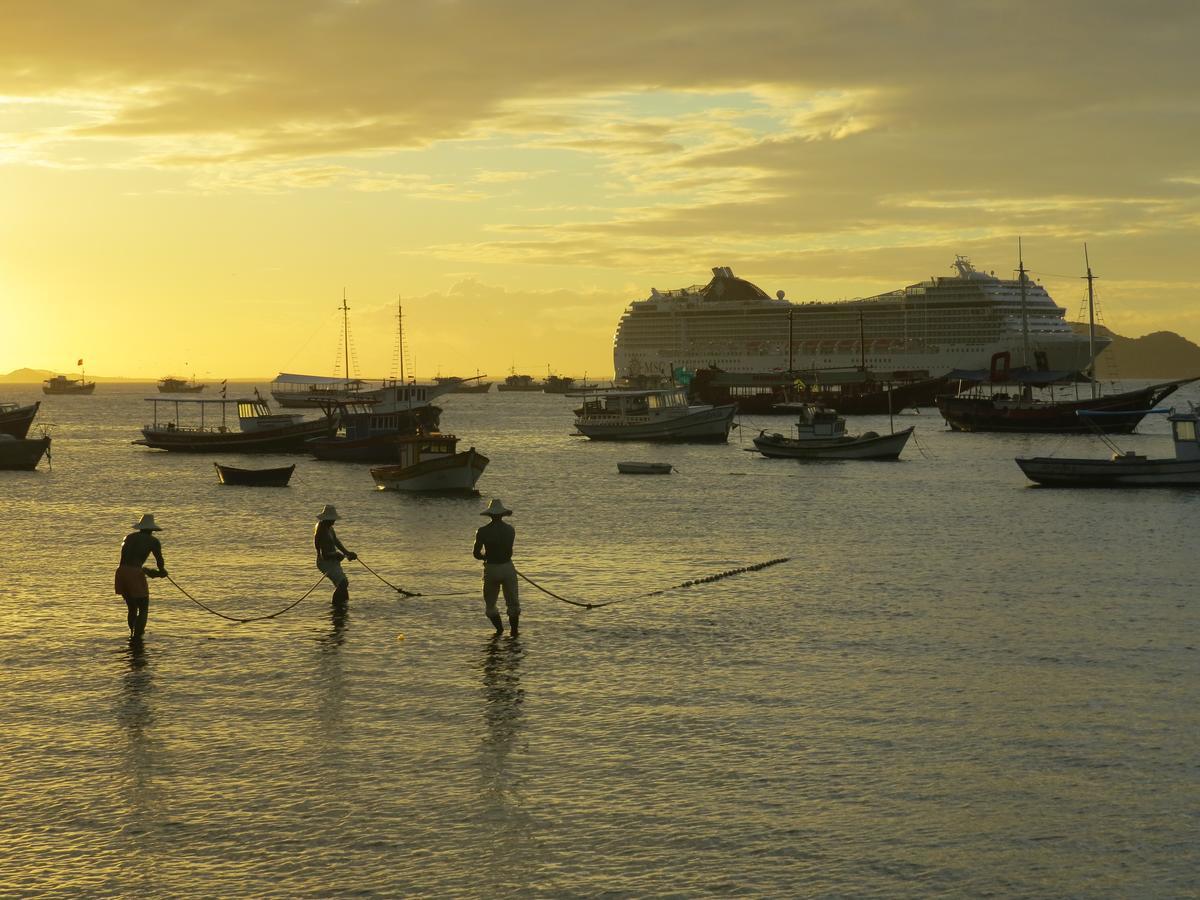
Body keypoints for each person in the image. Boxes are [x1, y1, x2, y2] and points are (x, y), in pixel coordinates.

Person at [114, 513, 167, 640]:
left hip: (121, 572)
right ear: (151, 530)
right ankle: (138, 636)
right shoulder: (153, 541)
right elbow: (159, 561)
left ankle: (132, 634)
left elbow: (128, 558)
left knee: (132, 608)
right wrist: (161, 572)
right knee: (143, 607)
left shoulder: (128, 538)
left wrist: (147, 571)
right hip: (134, 572)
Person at [473, 498, 519, 636]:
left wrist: (484, 557)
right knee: (513, 603)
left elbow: (476, 554)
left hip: (492, 569)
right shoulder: (510, 530)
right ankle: (514, 632)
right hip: (507, 567)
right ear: (502, 514)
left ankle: (499, 631)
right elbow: (509, 551)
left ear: (490, 515)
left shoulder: (482, 531)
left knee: (491, 605)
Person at [314, 505, 356, 605]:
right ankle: (336, 607)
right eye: (332, 519)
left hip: (333, 560)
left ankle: (343, 606)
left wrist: (347, 553)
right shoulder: (321, 530)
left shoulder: (329, 528)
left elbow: (336, 542)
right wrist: (336, 555)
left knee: (343, 584)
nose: (334, 521)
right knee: (342, 583)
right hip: (325, 562)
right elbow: (324, 555)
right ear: (327, 519)